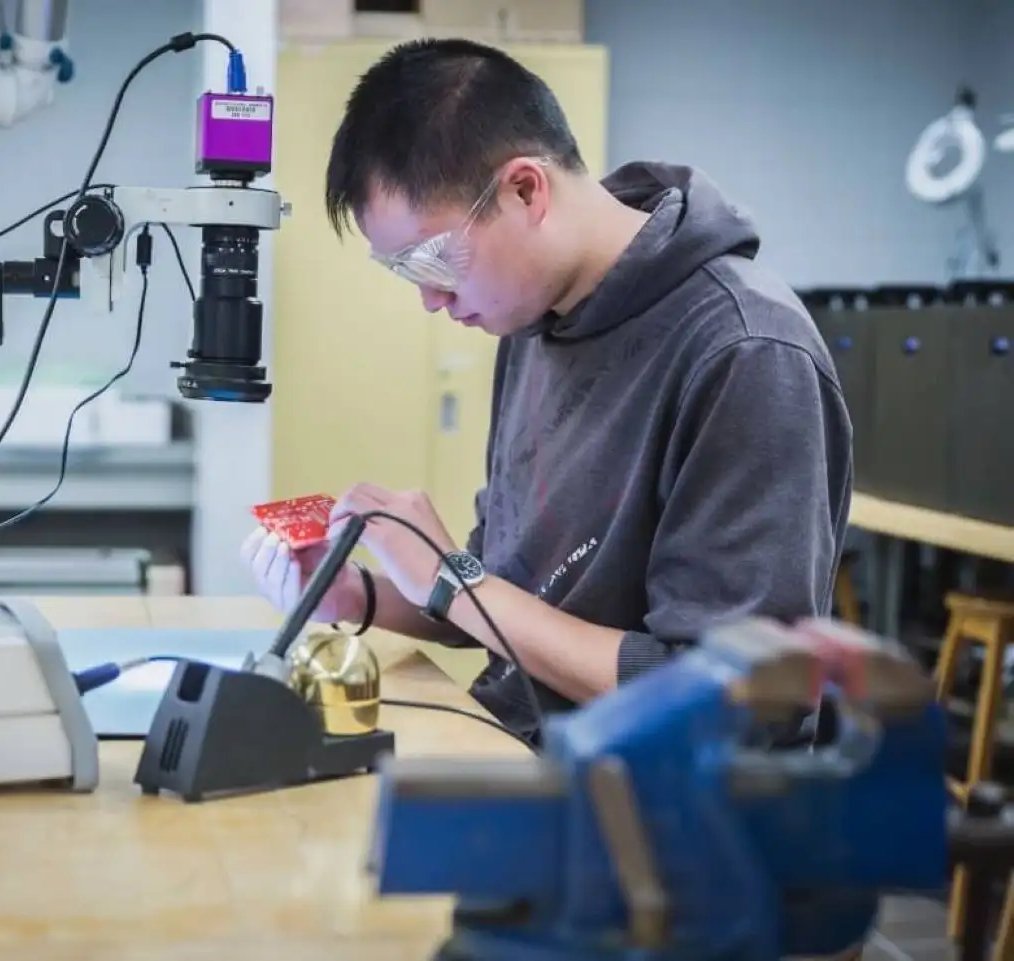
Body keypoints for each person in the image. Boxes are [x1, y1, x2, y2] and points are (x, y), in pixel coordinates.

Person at [240, 37, 853, 745]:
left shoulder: (747, 352)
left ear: (525, 189)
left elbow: (738, 697)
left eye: (435, 260)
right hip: (519, 751)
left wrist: (454, 578)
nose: (432, 301)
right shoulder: (533, 321)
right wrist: (360, 593)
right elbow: (516, 592)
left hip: (666, 816)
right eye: (404, 272)